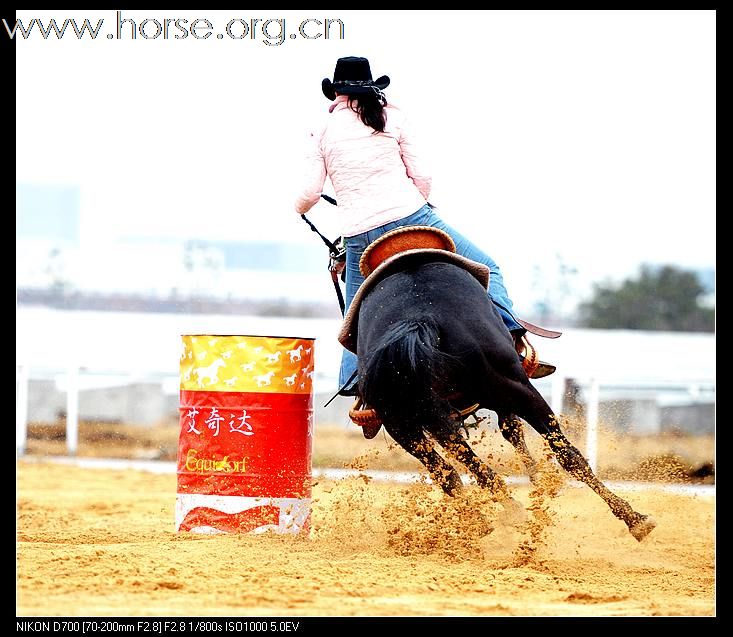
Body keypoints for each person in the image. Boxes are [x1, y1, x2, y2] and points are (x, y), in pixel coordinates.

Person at [295, 56, 555, 398]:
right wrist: (413, 206)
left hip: (359, 235)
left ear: (336, 93)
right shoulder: (392, 116)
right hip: (414, 218)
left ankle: (357, 386)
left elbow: (310, 193)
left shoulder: (322, 129)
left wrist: (300, 210)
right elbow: (423, 176)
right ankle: (513, 344)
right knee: (489, 267)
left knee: (356, 316)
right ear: (371, 86)